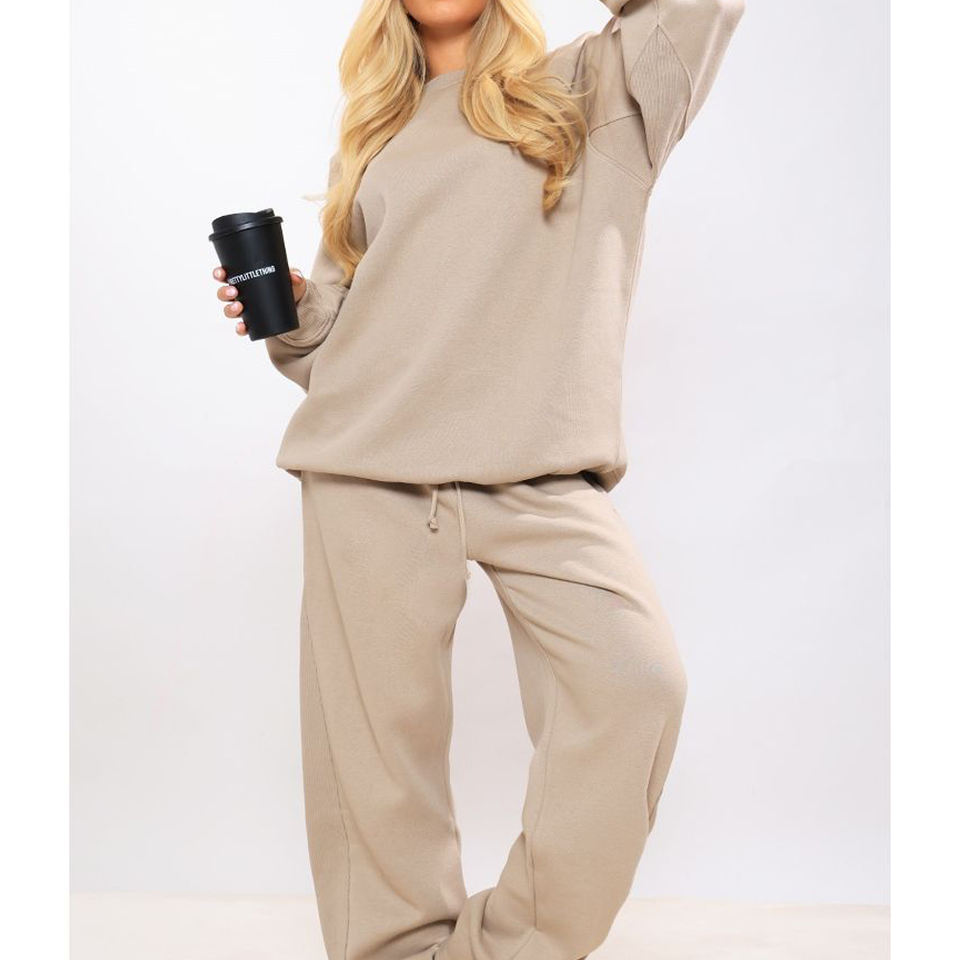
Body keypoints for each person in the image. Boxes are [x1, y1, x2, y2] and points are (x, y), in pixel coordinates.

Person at [211, 2, 743, 958]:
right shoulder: (374, 136)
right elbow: (331, 347)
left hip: (539, 472)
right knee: (376, 766)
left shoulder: (600, 88)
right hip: (366, 468)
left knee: (635, 684)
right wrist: (294, 309)